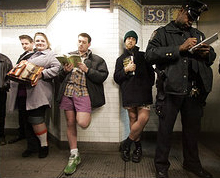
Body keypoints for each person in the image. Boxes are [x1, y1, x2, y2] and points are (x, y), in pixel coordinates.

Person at [145, 0, 216, 178]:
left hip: (193, 91)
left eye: (194, 19)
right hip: (170, 90)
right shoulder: (162, 33)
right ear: (181, 11)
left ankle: (191, 163)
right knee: (165, 131)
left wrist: (208, 53)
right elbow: (150, 55)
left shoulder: (197, 34)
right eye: (189, 17)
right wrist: (179, 48)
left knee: (192, 132)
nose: (190, 22)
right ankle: (161, 167)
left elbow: (212, 57)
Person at [57, 33, 109, 175]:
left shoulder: (97, 59)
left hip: (84, 92)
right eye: (79, 41)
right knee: (70, 122)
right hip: (68, 91)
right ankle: (74, 154)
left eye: (84, 42)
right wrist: (64, 70)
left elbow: (103, 76)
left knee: (83, 123)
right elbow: (59, 77)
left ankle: (75, 154)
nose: (80, 44)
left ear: (89, 44)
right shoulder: (69, 56)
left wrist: (87, 70)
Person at [17, 32, 60, 158]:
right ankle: (32, 147)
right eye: (38, 41)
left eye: (42, 41)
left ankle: (44, 146)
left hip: (40, 93)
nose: (40, 43)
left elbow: (57, 68)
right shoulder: (32, 55)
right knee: (29, 121)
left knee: (37, 120)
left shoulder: (50, 54)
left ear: (47, 43)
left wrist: (42, 74)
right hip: (26, 92)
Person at [114, 30, 155, 163]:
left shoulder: (144, 56)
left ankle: (127, 143)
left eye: (133, 38)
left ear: (136, 41)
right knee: (132, 118)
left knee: (143, 118)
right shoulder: (120, 59)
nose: (130, 40)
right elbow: (116, 77)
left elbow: (151, 73)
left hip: (143, 92)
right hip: (129, 92)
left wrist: (148, 85)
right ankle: (137, 148)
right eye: (128, 38)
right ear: (125, 41)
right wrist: (126, 70)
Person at [8, 35, 36, 145]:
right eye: (22, 44)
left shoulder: (34, 55)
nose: (24, 46)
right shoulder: (23, 55)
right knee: (21, 114)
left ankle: (31, 141)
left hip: (28, 91)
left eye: (26, 43)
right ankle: (22, 134)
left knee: (27, 116)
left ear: (32, 43)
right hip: (20, 90)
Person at [0, 53, 13, 146]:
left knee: (0, 114)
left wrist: (3, 86)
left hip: (0, 91)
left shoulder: (5, 60)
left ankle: (1, 136)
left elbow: (11, 76)